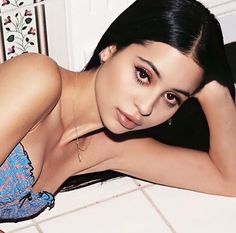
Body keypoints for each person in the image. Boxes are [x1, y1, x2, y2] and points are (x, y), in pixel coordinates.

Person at [0, 0, 235, 223]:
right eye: (143, 75)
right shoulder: (37, 77)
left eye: (171, 97)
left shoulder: (112, 148)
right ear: (110, 50)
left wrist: (215, 89)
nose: (145, 107)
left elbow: (228, 180)